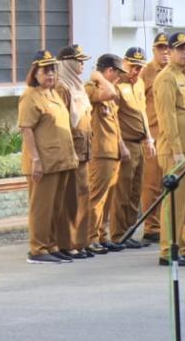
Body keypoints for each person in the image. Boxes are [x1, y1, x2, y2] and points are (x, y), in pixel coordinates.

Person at [19, 51, 79, 264]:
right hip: (43, 162)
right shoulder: (30, 96)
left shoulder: (54, 94)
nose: (50, 74)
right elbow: (26, 129)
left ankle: (51, 245)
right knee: (41, 208)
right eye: (46, 70)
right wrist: (35, 159)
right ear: (35, 73)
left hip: (60, 160)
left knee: (56, 207)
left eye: (53, 69)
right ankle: (38, 249)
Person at [152, 32, 185, 267]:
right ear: (170, 52)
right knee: (175, 203)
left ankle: (182, 247)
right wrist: (176, 150)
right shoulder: (166, 78)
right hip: (177, 152)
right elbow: (167, 117)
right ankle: (168, 250)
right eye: (181, 48)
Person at [111, 47, 154, 249]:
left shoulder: (139, 84)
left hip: (139, 143)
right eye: (133, 66)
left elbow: (143, 113)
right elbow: (114, 119)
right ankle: (118, 233)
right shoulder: (117, 87)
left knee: (136, 192)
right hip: (126, 144)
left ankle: (129, 231)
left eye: (139, 67)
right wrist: (121, 146)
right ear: (124, 63)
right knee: (123, 191)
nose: (135, 71)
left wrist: (149, 138)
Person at [56, 45, 95, 259]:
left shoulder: (78, 85)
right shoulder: (63, 87)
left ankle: (81, 242)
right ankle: (68, 242)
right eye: (78, 61)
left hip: (84, 150)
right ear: (68, 62)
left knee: (83, 197)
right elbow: (63, 124)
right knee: (71, 199)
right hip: (72, 151)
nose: (82, 65)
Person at [86, 54, 126, 255]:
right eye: (117, 73)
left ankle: (102, 235)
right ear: (109, 71)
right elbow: (110, 93)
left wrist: (122, 146)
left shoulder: (108, 89)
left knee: (108, 199)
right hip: (100, 152)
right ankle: (91, 237)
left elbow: (114, 122)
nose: (119, 78)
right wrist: (98, 77)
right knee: (97, 198)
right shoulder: (93, 88)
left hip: (113, 152)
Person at [139, 32, 171, 244]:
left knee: (170, 182)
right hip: (152, 132)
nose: (165, 51)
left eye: (169, 48)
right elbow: (138, 104)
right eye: (161, 48)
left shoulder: (176, 72)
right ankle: (151, 226)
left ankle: (165, 224)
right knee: (151, 183)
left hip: (170, 133)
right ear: (153, 50)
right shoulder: (146, 72)